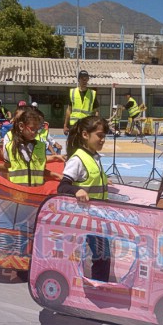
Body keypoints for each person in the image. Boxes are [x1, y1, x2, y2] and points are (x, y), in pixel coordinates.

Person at [58, 116, 111, 281]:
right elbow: (62, 186)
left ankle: (97, 284)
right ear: (85, 135)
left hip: (98, 216)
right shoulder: (77, 159)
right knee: (101, 255)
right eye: (100, 135)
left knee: (102, 255)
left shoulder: (94, 156)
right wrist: (76, 190)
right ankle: (96, 286)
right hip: (86, 218)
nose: (103, 140)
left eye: (104, 136)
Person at [0, 107, 63, 185]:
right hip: (18, 192)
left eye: (37, 129)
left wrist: (55, 159)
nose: (35, 132)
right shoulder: (10, 145)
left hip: (36, 193)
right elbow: (8, 167)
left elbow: (40, 169)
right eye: (32, 129)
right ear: (21, 126)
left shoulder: (41, 146)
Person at [64, 70, 99, 135]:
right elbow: (69, 110)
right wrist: (65, 125)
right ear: (79, 80)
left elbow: (96, 111)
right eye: (82, 79)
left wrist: (95, 124)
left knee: (85, 144)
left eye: (86, 79)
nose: (84, 81)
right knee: (74, 144)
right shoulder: (72, 92)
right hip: (74, 125)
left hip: (87, 125)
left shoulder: (92, 94)